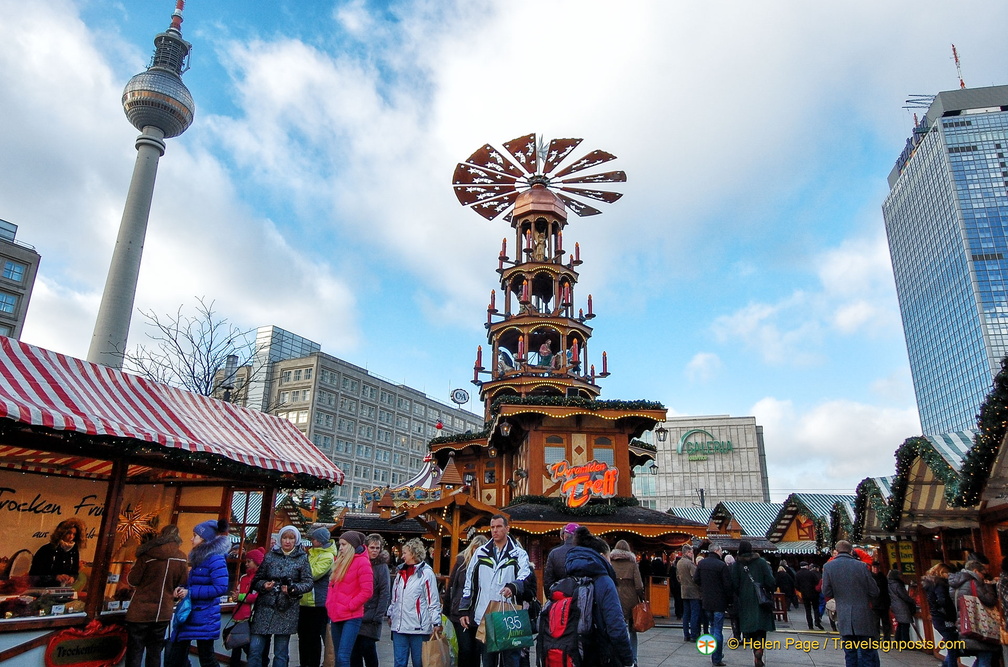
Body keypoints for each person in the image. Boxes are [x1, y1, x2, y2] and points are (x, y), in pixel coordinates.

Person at [459, 513, 534, 667]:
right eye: (492, 527)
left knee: (511, 661)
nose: (495, 530)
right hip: (486, 615)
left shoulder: (519, 554)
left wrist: (513, 587)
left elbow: (525, 577)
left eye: (499, 527)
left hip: (510, 616)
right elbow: (470, 583)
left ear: (507, 528)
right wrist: (464, 610)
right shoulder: (480, 553)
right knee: (488, 661)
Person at [165, 520, 231, 667]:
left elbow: (220, 587)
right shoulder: (199, 558)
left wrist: (190, 592)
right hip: (191, 613)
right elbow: (196, 582)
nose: (191, 538)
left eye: (195, 535)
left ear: (204, 539)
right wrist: (181, 587)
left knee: (206, 657)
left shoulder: (215, 559)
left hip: (204, 615)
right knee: (177, 654)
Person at [565, 528, 634, 667]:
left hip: (572, 651)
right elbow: (616, 626)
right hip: (599, 653)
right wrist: (628, 660)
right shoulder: (604, 581)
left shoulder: (569, 577)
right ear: (603, 556)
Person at [248, 525, 314, 667]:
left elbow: (308, 582)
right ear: (280, 539)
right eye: (285, 537)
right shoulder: (270, 556)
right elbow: (256, 579)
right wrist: (264, 585)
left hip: (286, 608)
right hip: (265, 607)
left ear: (296, 540)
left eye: (291, 538)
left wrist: (293, 589)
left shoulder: (302, 558)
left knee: (281, 653)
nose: (287, 541)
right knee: (255, 649)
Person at [124, 525, 188, 667]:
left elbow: (133, 580)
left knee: (135, 652)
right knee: (155, 652)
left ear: (161, 536)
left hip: (140, 611)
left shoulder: (147, 554)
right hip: (163, 612)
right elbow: (182, 583)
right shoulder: (182, 558)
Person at [821, 540, 879, 667]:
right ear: (851, 550)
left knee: (850, 653)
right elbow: (874, 591)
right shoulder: (861, 566)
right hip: (863, 615)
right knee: (867, 653)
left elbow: (826, 591)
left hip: (844, 616)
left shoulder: (828, 567)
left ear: (836, 551)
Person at [388, 538, 442, 667]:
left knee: (419, 662)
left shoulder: (426, 574)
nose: (402, 556)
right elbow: (395, 597)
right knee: (399, 663)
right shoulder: (400, 573)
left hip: (418, 628)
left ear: (413, 553)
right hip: (399, 627)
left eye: (405, 553)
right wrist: (391, 613)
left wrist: (436, 621)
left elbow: (432, 600)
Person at [327, 531, 374, 667]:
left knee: (343, 656)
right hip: (336, 614)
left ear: (352, 545)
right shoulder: (340, 561)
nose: (340, 547)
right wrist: (330, 605)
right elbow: (332, 587)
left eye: (343, 544)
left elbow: (367, 591)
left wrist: (350, 605)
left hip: (351, 616)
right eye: (340, 544)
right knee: (338, 656)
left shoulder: (362, 563)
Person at [729, 541, 775, 667]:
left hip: (745, 600)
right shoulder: (761, 562)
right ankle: (760, 650)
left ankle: (755, 651)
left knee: (751, 631)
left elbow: (734, 584)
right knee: (761, 628)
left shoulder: (736, 565)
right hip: (761, 600)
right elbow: (770, 580)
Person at [949, 554, 999, 667]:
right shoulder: (974, 583)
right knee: (985, 656)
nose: (983, 576)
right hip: (980, 625)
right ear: (976, 571)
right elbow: (990, 600)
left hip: (965, 624)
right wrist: (988, 586)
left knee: (982, 656)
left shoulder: (954, 584)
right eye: (983, 574)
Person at [448, 535, 488, 667]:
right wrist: (447, 609)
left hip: (478, 612)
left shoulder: (487, 565)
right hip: (460, 611)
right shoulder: (461, 562)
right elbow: (452, 586)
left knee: (476, 650)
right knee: (465, 649)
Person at [299, 527, 338, 667]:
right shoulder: (311, 553)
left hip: (318, 602)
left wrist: (300, 571)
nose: (311, 541)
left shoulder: (328, 556)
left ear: (320, 541)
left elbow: (313, 574)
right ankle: (304, 663)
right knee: (303, 637)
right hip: (304, 601)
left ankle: (313, 663)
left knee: (314, 637)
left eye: (313, 539)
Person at [352, 534, 392, 667]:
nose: (374, 550)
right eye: (372, 547)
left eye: (377, 548)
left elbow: (385, 592)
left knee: (368, 649)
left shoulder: (382, 567)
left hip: (372, 615)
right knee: (354, 651)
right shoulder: (359, 562)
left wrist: (378, 615)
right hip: (357, 612)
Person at [694, 544, 731, 667]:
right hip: (719, 602)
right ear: (716, 550)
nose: (721, 553)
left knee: (711, 627)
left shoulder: (702, 564)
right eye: (720, 550)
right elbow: (727, 586)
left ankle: (713, 652)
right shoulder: (721, 566)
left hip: (706, 600)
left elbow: (696, 580)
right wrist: (730, 600)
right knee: (718, 630)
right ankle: (717, 657)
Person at [230, 548, 268, 667]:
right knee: (235, 646)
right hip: (239, 614)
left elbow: (257, 596)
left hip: (250, 615)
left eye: (249, 561)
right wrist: (236, 596)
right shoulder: (243, 577)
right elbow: (239, 591)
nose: (246, 564)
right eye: (246, 561)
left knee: (249, 647)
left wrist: (240, 597)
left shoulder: (260, 579)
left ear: (257, 562)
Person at [609, 539, 645, 664]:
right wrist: (641, 597)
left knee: (616, 628)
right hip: (631, 598)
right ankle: (633, 658)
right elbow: (639, 585)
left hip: (614, 597)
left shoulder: (610, 563)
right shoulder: (633, 564)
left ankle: (618, 657)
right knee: (632, 630)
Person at [29, 518, 87, 587]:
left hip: (64, 589)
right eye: (68, 533)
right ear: (61, 533)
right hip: (44, 588)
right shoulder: (46, 549)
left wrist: (72, 578)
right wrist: (55, 577)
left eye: (74, 534)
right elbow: (34, 573)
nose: (71, 537)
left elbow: (74, 572)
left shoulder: (74, 552)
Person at [922, 562, 958, 667]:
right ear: (943, 572)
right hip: (945, 619)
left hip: (938, 618)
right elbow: (943, 601)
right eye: (948, 573)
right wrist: (952, 615)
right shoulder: (940, 583)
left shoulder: (930, 583)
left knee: (952, 648)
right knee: (953, 649)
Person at [543, 523, 579, 592]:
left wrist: (551, 597)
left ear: (565, 536)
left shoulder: (554, 553)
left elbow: (548, 580)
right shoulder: (586, 552)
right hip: (581, 597)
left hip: (560, 596)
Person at [676, 544, 701, 643]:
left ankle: (686, 634)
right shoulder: (690, 564)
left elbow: (678, 577)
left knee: (686, 614)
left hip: (684, 590)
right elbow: (695, 577)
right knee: (695, 613)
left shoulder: (679, 563)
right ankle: (694, 634)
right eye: (691, 552)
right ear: (687, 552)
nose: (692, 554)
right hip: (693, 591)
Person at [887, 566, 917, 642]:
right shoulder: (897, 584)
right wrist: (912, 601)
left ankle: (898, 640)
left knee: (901, 624)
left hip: (895, 605)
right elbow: (903, 595)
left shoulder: (889, 583)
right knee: (905, 625)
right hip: (902, 606)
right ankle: (905, 642)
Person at [795, 561, 824, 631]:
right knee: (815, 608)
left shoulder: (797, 574)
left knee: (807, 610)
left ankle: (810, 625)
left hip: (804, 594)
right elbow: (817, 582)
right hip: (813, 593)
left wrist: (802, 590)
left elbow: (796, 585)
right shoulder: (811, 573)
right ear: (807, 566)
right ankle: (817, 621)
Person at [869, 561, 891, 641]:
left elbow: (886, 590)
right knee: (876, 623)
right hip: (874, 603)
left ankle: (887, 639)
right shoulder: (870, 577)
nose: (876, 569)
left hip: (884, 603)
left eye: (877, 567)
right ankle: (876, 639)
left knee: (886, 623)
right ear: (871, 568)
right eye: (874, 567)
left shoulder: (882, 577)